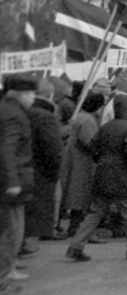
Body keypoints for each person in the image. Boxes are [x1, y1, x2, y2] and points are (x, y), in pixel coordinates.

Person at [64, 93, 127, 263]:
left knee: (95, 212)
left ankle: (75, 246)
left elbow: (92, 146)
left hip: (102, 173)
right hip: (121, 174)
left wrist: (101, 159)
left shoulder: (106, 126)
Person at [0, 75, 36, 289]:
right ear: (21, 94)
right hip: (11, 183)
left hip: (10, 180)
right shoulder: (13, 114)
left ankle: (8, 270)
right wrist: (13, 181)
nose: (33, 98)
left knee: (11, 229)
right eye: (31, 94)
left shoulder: (7, 109)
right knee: (11, 231)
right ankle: (3, 279)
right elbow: (7, 149)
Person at [23, 79, 63, 252]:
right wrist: (54, 171)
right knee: (35, 209)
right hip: (40, 170)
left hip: (21, 169)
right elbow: (53, 149)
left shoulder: (19, 112)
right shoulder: (46, 116)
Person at [60, 92, 105, 238]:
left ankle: (74, 226)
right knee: (81, 194)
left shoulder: (80, 116)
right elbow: (90, 141)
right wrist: (99, 155)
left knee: (75, 193)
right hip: (83, 161)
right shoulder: (88, 120)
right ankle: (77, 228)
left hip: (74, 158)